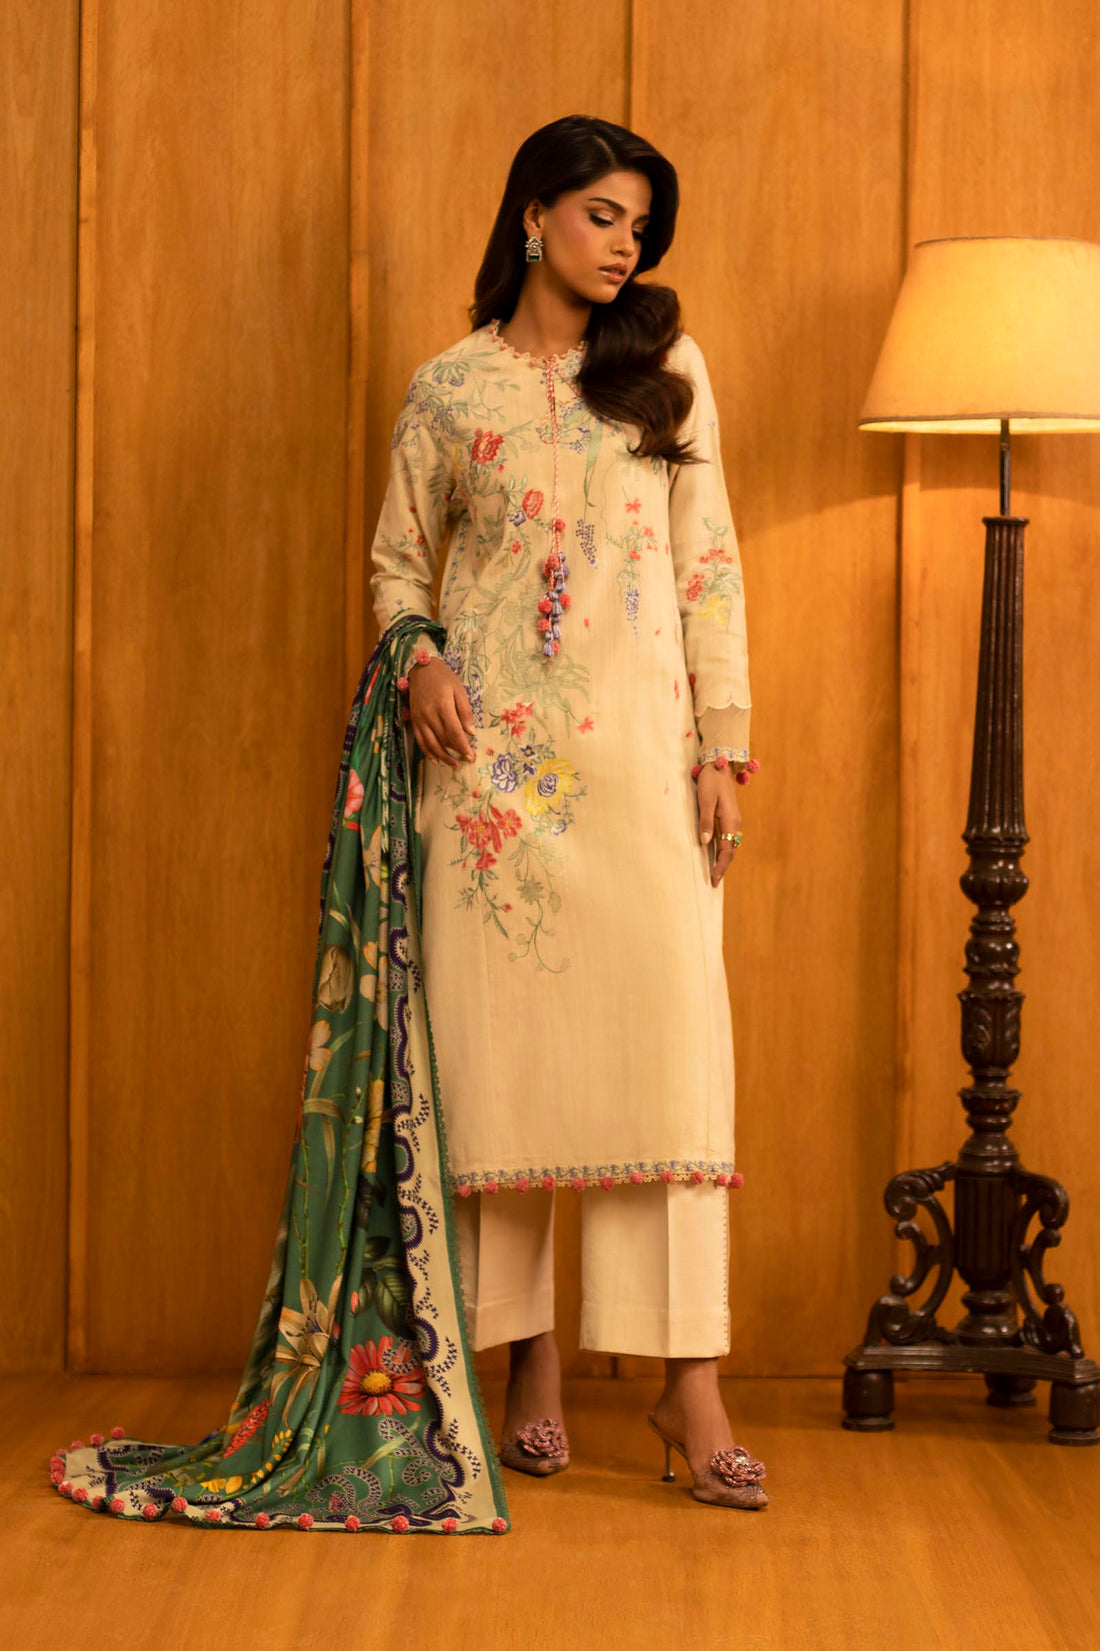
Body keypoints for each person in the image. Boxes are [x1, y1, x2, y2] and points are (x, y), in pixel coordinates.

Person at [368, 114, 768, 1512]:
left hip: (644, 767)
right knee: (506, 1074)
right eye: (604, 216)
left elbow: (710, 566)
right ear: (533, 214)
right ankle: (523, 1364)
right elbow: (398, 566)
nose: (626, 246)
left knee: (669, 1066)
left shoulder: (667, 371)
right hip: (493, 787)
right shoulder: (448, 389)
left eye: (640, 226)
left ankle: (687, 1384)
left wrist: (723, 745)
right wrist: (419, 660)